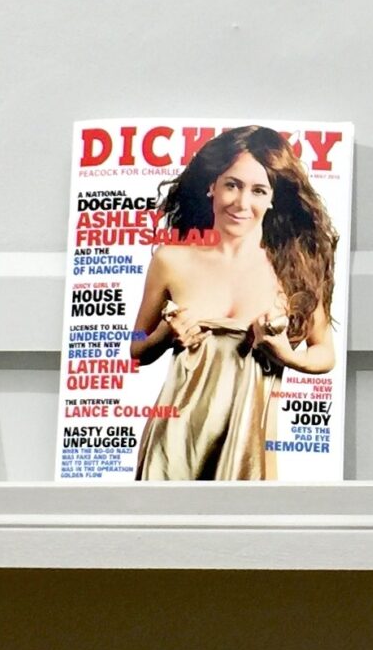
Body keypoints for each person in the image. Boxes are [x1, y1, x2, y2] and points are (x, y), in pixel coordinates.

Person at [129, 126, 340, 480]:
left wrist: (288, 356)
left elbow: (325, 352)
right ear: (211, 185)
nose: (242, 203)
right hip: (174, 446)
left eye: (258, 190)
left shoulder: (296, 267)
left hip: (248, 449)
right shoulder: (171, 260)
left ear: (273, 198)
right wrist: (163, 336)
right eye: (232, 185)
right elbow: (136, 346)